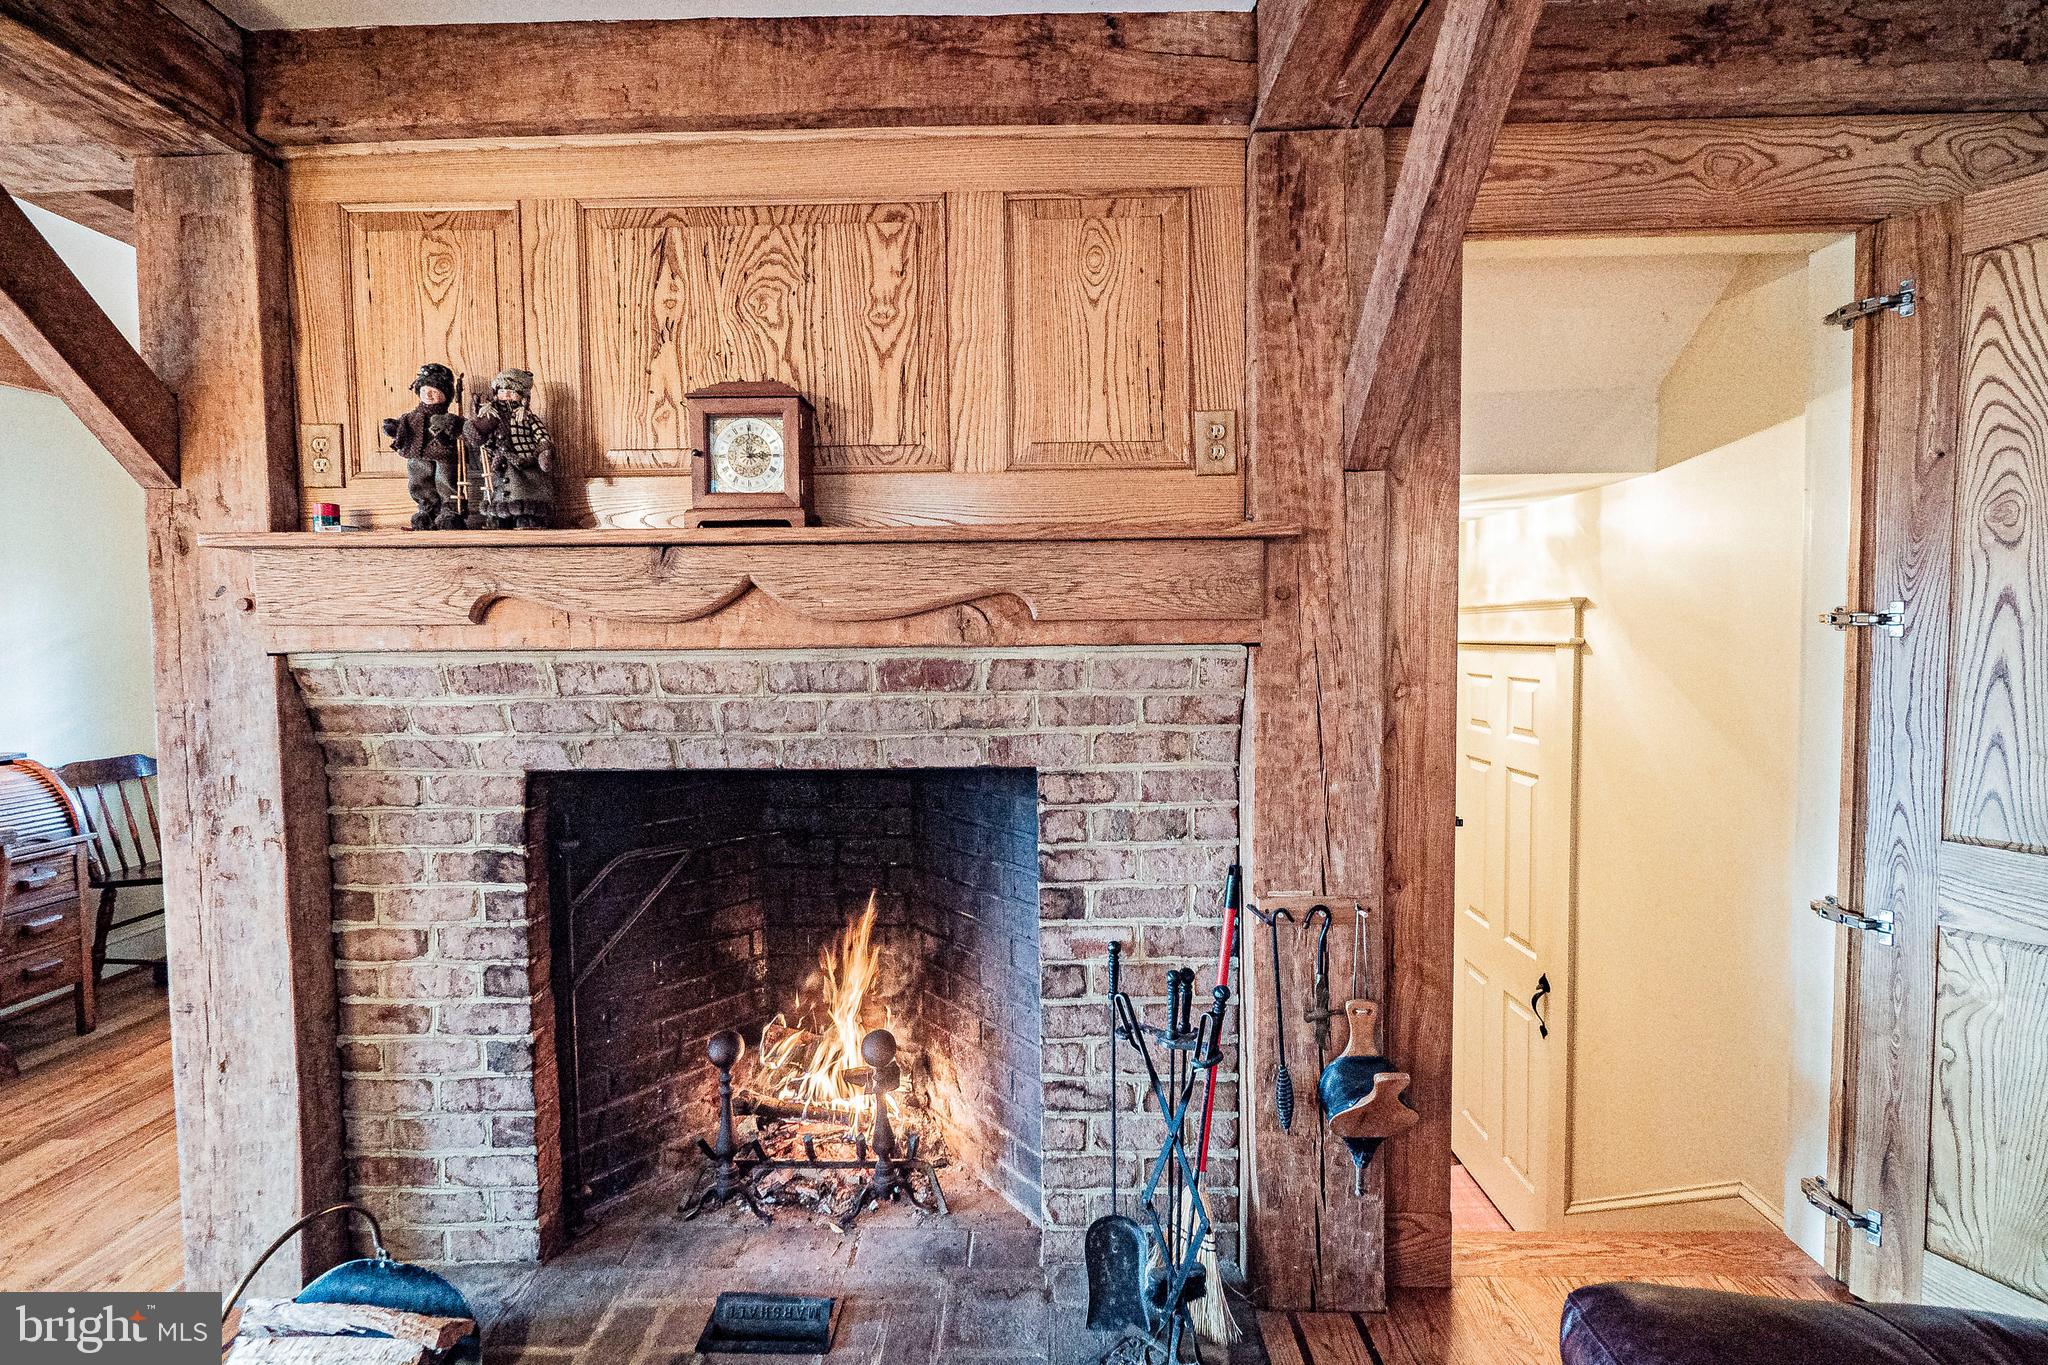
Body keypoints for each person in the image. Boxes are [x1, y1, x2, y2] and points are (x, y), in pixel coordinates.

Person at [463, 368, 556, 529]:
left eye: (512, 391)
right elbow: (475, 437)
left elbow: (542, 435)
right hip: (498, 463)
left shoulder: (527, 417)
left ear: (523, 396)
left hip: (524, 462)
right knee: (498, 491)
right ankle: (498, 516)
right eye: (502, 390)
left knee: (525, 490)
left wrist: (544, 452)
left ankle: (527, 516)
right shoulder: (491, 416)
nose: (506, 395)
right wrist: (477, 422)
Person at [383, 363, 464, 530]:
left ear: (445, 395)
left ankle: (449, 511)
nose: (428, 394)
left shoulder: (448, 417)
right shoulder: (411, 417)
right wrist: (394, 428)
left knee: (446, 481)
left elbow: (463, 430)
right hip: (418, 455)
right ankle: (426, 510)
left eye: (434, 391)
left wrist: (453, 426)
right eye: (424, 390)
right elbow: (403, 428)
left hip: (444, 456)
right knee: (419, 481)